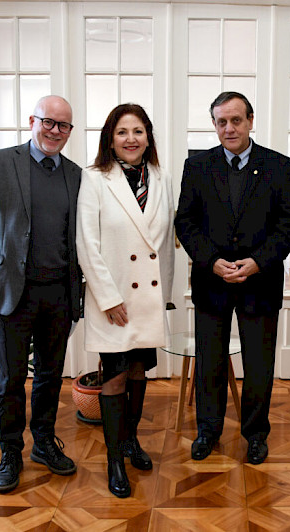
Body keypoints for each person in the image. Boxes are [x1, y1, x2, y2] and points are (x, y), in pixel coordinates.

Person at [0, 95, 82, 493]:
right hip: (14, 294)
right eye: (49, 121)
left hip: (60, 294)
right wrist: (1, 257)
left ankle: (44, 443)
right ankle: (10, 452)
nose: (55, 131)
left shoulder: (76, 174)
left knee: (50, 377)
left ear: (69, 131)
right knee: (12, 378)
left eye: (63, 125)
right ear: (32, 120)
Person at [175, 91, 290, 465]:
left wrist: (257, 262)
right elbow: (186, 222)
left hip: (259, 281)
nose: (229, 128)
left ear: (250, 120)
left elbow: (287, 226)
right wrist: (211, 261)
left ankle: (256, 434)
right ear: (214, 124)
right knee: (209, 361)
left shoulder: (279, 166)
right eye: (221, 122)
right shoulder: (196, 166)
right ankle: (207, 431)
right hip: (212, 281)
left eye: (236, 120)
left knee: (259, 364)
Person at [76, 103, 174, 498]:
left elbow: (165, 244)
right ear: (110, 139)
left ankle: (132, 441)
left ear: (148, 136)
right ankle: (114, 460)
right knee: (114, 379)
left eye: (138, 131)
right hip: (113, 301)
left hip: (147, 298)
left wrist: (164, 294)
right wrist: (107, 298)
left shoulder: (162, 178)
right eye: (122, 132)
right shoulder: (95, 178)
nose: (131, 139)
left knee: (138, 373)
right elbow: (87, 242)